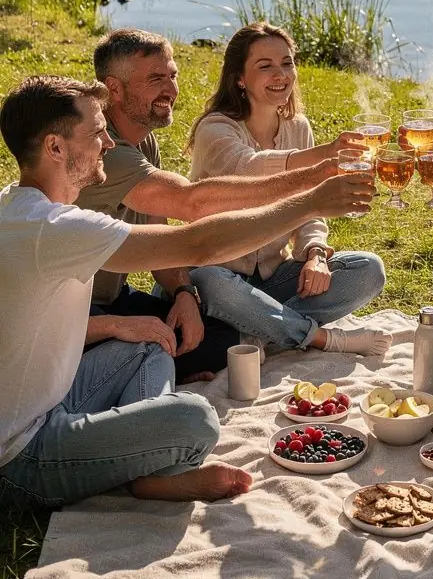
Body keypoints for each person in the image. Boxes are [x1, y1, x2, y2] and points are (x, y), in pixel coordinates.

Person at [0, 75, 374, 510]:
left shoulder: (20, 206)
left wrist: (117, 324)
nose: (108, 142)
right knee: (194, 417)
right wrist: (310, 201)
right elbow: (198, 243)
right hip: (21, 455)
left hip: (50, 403)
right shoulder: (55, 229)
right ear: (56, 148)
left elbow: (23, 324)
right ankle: (152, 474)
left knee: (150, 339)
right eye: (97, 132)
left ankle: (146, 465)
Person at [78, 28, 371, 383]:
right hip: (83, 309)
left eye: (173, 76)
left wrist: (183, 292)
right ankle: (307, 334)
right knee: (207, 299)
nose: (171, 89)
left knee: (226, 340)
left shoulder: (145, 142)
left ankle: (260, 325)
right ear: (114, 88)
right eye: (156, 79)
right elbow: (196, 200)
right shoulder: (111, 149)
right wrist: (317, 174)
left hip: (124, 295)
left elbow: (159, 235)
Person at [188, 23, 388, 356]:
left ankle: (260, 334)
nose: (280, 74)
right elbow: (250, 168)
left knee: (368, 270)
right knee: (212, 283)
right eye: (265, 66)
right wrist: (323, 154)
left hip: (272, 279)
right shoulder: (215, 129)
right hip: (219, 275)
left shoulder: (298, 128)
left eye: (287, 62)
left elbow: (311, 206)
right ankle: (322, 339)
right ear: (240, 78)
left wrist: (315, 254)